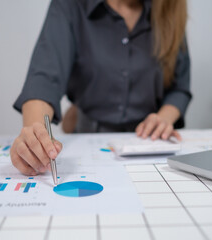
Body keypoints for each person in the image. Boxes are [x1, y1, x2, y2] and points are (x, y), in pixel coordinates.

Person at [11, 0, 191, 176]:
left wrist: (164, 118)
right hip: (87, 134)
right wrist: (35, 134)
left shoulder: (170, 10)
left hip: (149, 142)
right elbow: (44, 77)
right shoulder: (70, 5)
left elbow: (179, 88)